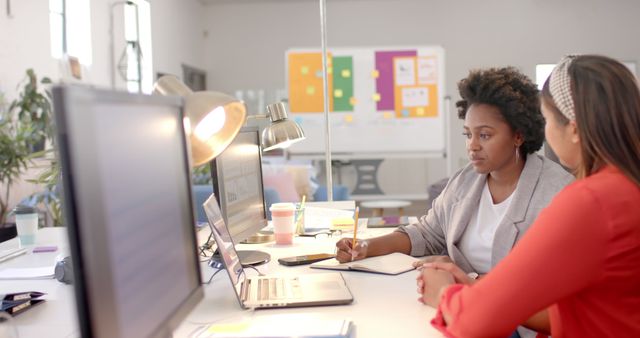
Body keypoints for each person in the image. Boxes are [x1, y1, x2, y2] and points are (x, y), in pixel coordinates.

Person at [419, 55, 640, 337]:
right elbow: (595, 306)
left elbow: (476, 323)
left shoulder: (590, 201)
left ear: (572, 129)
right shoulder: (626, 187)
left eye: (547, 119)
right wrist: (478, 290)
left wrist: (444, 292)